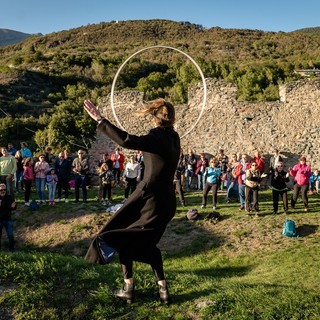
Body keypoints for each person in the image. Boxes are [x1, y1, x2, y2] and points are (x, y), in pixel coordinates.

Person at [84, 97, 180, 304]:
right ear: (171, 119)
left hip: (149, 199)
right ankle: (161, 289)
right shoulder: (174, 138)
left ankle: (129, 286)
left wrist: (101, 120)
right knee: (146, 244)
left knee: (114, 235)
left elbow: (127, 141)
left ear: (155, 118)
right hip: (167, 201)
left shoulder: (157, 136)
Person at [0, 183, 17, 252]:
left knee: (11, 236)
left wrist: (14, 206)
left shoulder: (9, 197)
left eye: (4, 190)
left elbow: (14, 207)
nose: (3, 191)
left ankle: (12, 251)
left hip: (7, 219)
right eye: (1, 190)